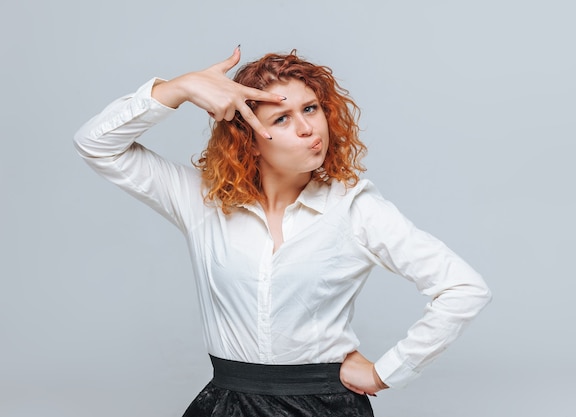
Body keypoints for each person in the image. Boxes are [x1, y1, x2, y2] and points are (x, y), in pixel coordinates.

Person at [74, 46, 492, 417]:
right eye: (283, 117)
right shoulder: (201, 201)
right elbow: (96, 143)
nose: (309, 128)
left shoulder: (355, 207)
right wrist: (178, 89)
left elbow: (463, 288)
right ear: (250, 140)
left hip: (324, 404)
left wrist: (387, 372)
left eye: (310, 109)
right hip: (228, 403)